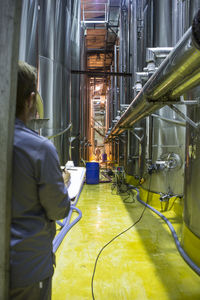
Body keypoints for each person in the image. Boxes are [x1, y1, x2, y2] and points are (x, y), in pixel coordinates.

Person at [10, 61, 71, 300]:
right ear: (30, 100)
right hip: (27, 269)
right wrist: (63, 183)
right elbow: (59, 209)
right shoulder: (39, 148)